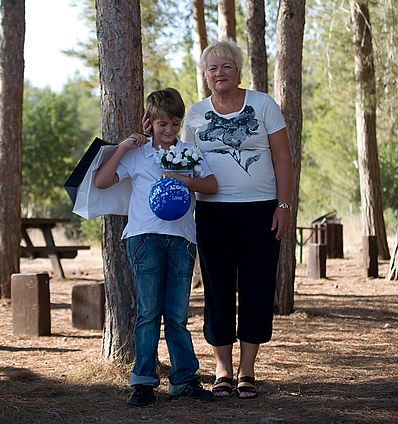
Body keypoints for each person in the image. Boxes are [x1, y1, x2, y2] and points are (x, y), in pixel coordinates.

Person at [181, 38, 293, 399]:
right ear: (205, 75)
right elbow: (185, 162)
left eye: (226, 66)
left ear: (238, 70)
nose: (219, 73)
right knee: (218, 290)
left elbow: (283, 159)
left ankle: (248, 369)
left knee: (257, 289)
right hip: (213, 213)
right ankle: (222, 368)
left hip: (262, 210)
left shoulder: (262, 105)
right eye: (212, 68)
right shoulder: (196, 114)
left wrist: (284, 205)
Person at [95, 88, 218, 407]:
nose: (169, 130)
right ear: (148, 122)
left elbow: (212, 185)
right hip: (144, 237)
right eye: (162, 124)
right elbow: (102, 181)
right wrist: (122, 147)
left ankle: (184, 380)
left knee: (176, 314)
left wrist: (183, 180)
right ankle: (143, 381)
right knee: (148, 311)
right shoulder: (137, 155)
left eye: (174, 124)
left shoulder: (189, 152)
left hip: (182, 239)